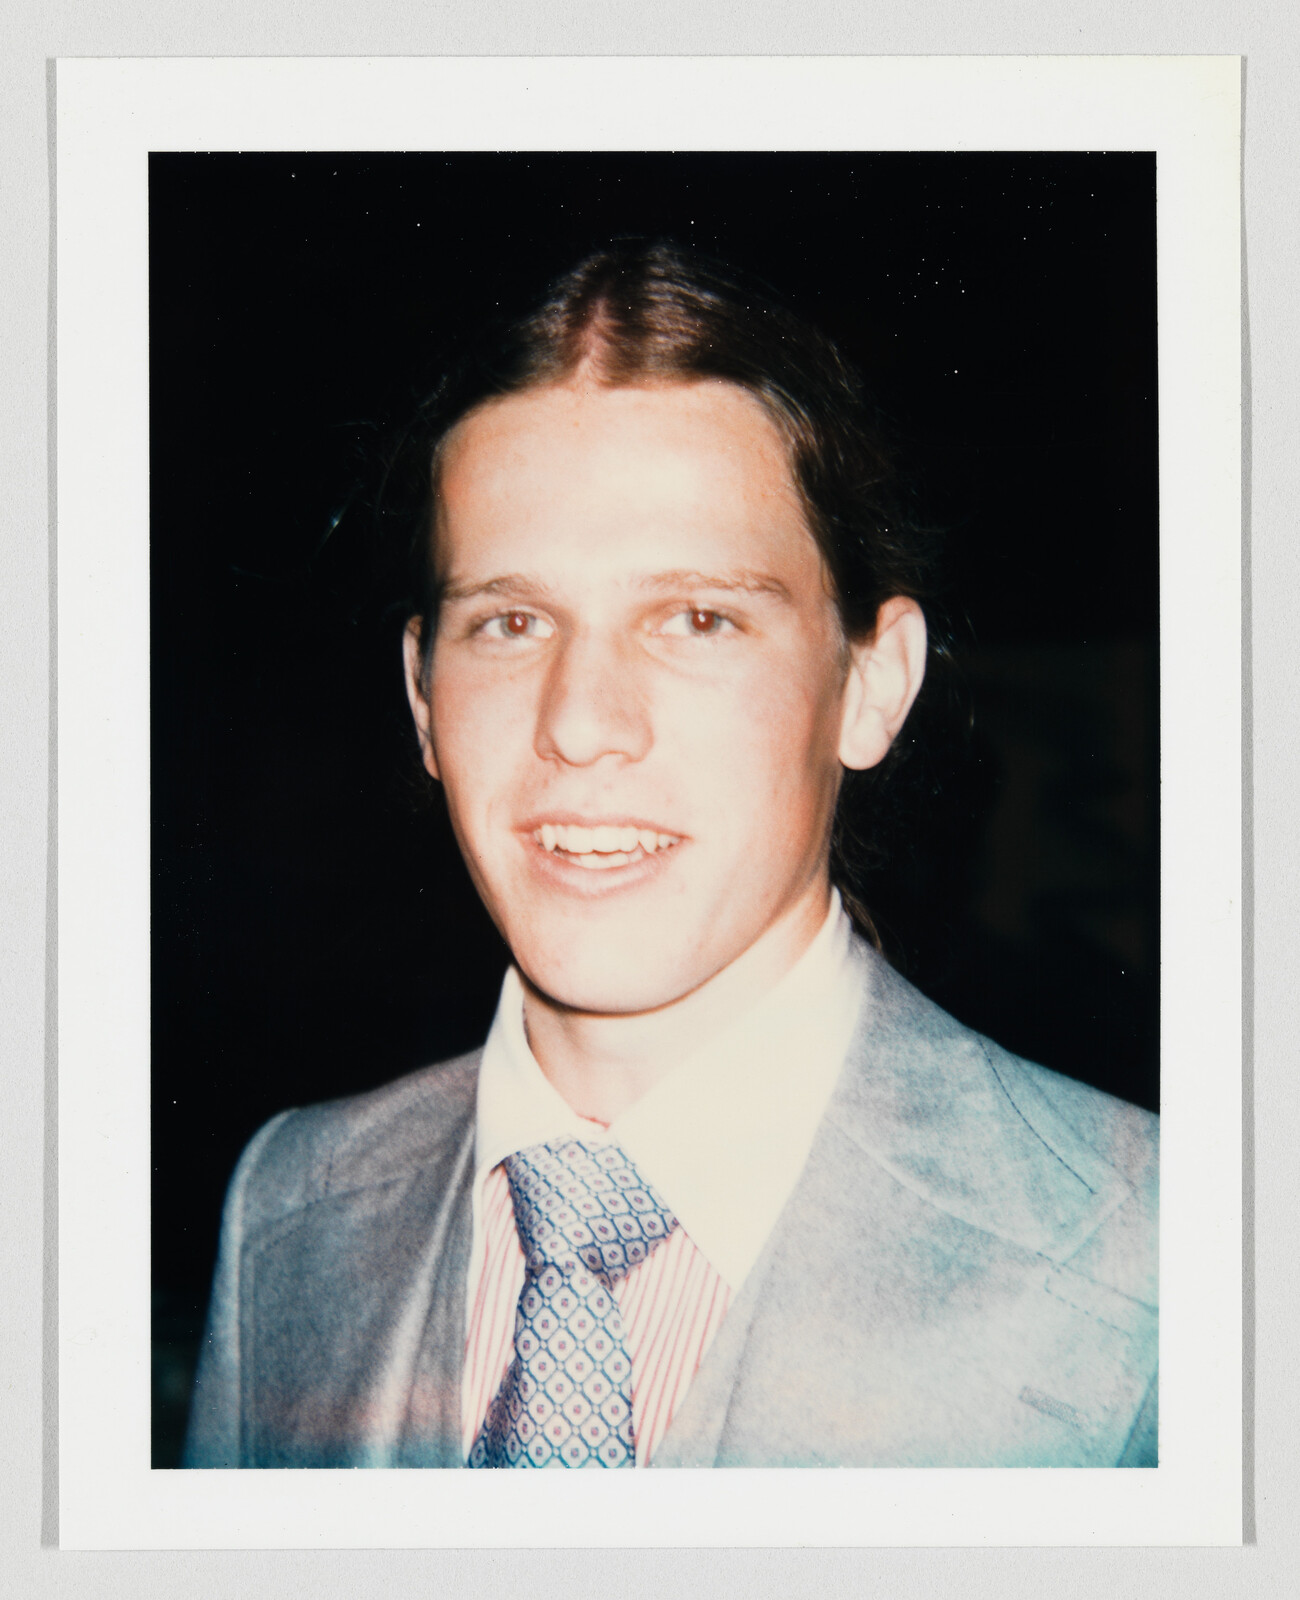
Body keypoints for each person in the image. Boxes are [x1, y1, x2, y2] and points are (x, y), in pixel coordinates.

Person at [183, 242, 1157, 1470]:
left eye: (697, 618)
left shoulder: (1157, 1266)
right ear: (424, 696)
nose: (581, 722)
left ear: (872, 684)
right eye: (510, 621)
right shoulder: (287, 1212)